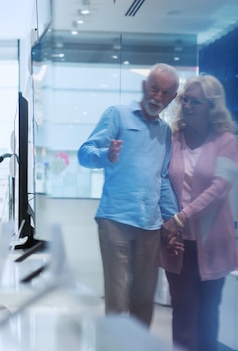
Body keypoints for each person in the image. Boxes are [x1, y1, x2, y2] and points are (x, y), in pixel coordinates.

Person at [77, 63, 181, 327]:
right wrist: (105, 155)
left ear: (171, 98)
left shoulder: (165, 132)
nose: (158, 97)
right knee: (117, 299)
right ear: (145, 87)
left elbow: (163, 178)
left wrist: (172, 223)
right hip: (115, 221)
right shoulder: (117, 115)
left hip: (150, 226)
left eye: (165, 93)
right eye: (154, 88)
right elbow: (84, 154)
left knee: (144, 301)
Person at [160, 74, 238, 351]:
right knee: (182, 314)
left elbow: (219, 189)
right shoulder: (173, 139)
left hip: (212, 245)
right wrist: (168, 225)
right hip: (176, 243)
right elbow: (160, 182)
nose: (188, 106)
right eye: (185, 100)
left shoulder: (226, 141)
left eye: (195, 101)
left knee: (207, 316)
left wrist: (181, 217)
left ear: (212, 106)